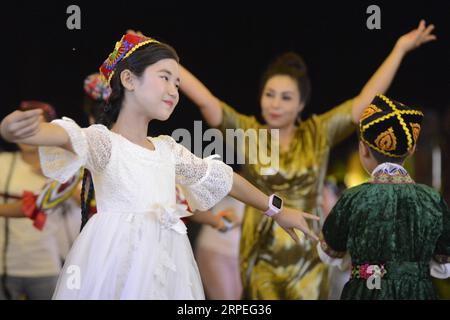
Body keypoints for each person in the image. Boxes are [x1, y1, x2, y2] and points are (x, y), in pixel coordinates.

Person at [0, 34, 318, 299]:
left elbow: (224, 178)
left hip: (168, 266)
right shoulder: (104, 142)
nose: (173, 91)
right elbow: (62, 135)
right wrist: (12, 129)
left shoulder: (168, 149)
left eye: (177, 83)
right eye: (165, 77)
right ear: (129, 79)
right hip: (115, 264)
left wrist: (277, 209)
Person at [177, 20, 437, 299]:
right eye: (269, 95)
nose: (275, 104)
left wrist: (399, 49)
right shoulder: (246, 132)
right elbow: (206, 101)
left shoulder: (318, 132)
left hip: (310, 254)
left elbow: (364, 101)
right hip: (260, 256)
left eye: (286, 97)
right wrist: (167, 62)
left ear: (301, 104)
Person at [318, 94, 450, 299]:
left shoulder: (353, 199)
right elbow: (445, 264)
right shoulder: (432, 200)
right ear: (412, 150)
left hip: (365, 291)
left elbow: (329, 252)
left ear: (363, 149)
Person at [0, 101, 77, 300]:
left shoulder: (62, 167)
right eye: (22, 126)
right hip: (5, 264)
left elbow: (82, 200)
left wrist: (53, 176)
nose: (26, 133)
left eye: (34, 127)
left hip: (45, 263)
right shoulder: (3, 162)